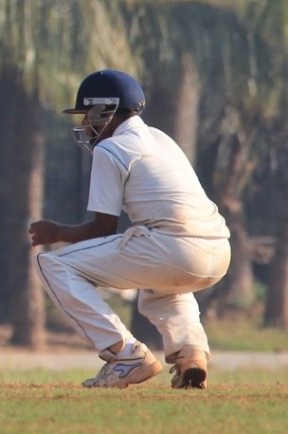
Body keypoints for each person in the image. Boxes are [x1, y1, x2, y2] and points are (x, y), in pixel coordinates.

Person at [28, 69, 230, 389]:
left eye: (87, 115)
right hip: (217, 249)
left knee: (51, 263)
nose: (84, 125)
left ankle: (125, 355)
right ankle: (191, 354)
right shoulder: (161, 138)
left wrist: (57, 232)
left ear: (102, 111)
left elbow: (103, 228)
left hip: (173, 247)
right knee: (160, 289)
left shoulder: (110, 149)